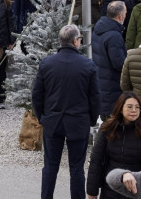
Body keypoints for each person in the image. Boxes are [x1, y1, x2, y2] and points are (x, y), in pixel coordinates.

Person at [32, 24, 101, 199]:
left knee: (50, 166)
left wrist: (42, 117)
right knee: (77, 168)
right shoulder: (87, 65)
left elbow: (37, 94)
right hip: (78, 122)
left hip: (53, 121)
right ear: (75, 42)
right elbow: (95, 97)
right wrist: (92, 119)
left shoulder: (47, 63)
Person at [86, 92, 141, 199]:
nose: (134, 110)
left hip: (134, 191)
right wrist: (92, 192)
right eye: (129, 107)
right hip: (110, 188)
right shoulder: (108, 129)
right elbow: (96, 161)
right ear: (120, 108)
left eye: (137, 107)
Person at [93, 2, 129, 120]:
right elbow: (119, 64)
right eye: (125, 13)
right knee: (112, 123)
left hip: (102, 84)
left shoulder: (99, 29)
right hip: (112, 87)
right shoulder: (114, 36)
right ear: (120, 16)